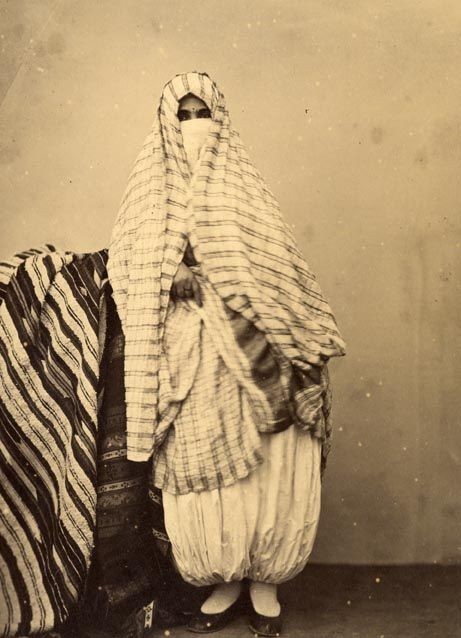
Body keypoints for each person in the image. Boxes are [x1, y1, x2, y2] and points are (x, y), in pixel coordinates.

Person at [107, 71, 345, 636]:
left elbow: (274, 260)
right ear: (168, 124)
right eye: (184, 116)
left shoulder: (243, 186)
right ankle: (225, 578)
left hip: (257, 342)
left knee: (271, 458)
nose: (195, 126)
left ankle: (265, 582)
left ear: (221, 120)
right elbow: (127, 259)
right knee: (206, 464)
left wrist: (252, 297)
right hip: (188, 349)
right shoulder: (149, 190)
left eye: (203, 114)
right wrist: (169, 271)